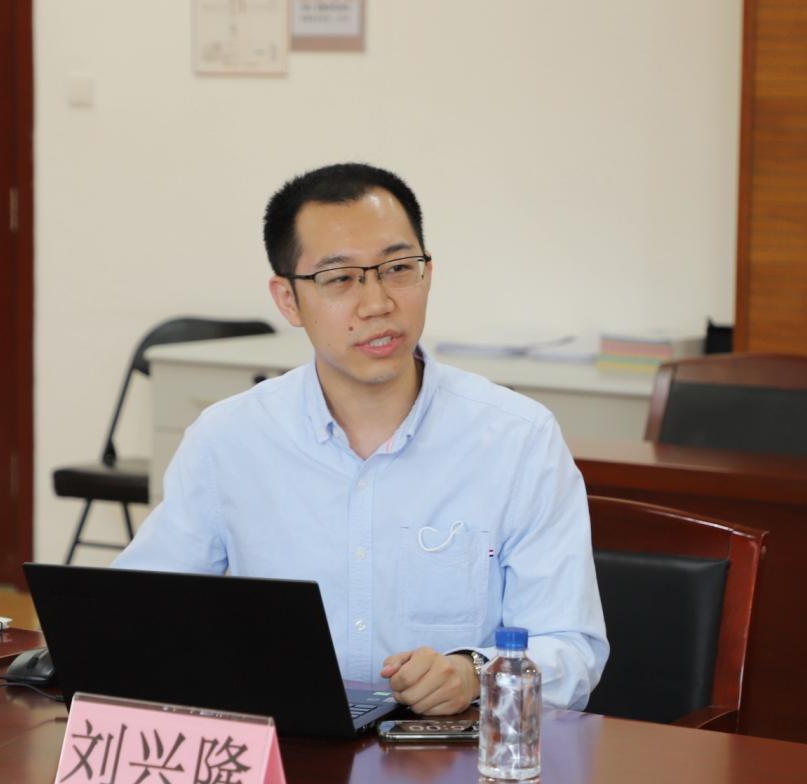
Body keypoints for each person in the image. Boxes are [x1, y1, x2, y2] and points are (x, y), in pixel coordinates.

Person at [114, 163, 608, 715]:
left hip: (446, 753)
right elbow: (137, 612)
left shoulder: (518, 439)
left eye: (398, 269)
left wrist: (474, 673)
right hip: (288, 748)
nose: (377, 304)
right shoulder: (228, 439)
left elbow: (571, 648)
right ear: (288, 299)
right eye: (340, 278)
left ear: (427, 273)